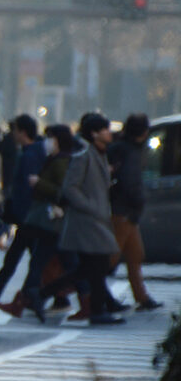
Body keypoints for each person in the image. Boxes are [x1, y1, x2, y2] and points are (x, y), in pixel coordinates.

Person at [0, 125, 76, 321]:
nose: (47, 142)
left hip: (48, 219)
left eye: (51, 138)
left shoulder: (61, 162)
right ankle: (28, 299)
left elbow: (63, 192)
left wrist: (38, 183)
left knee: (67, 264)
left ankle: (33, 298)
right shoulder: (55, 159)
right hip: (46, 221)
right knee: (40, 262)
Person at [59, 113, 125, 325]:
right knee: (96, 265)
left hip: (96, 219)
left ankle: (36, 294)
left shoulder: (100, 154)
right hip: (87, 221)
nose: (109, 133)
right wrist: (90, 206)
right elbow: (70, 187)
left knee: (90, 268)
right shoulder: (84, 155)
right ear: (95, 133)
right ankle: (97, 311)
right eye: (105, 129)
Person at [108, 113, 163, 311]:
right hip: (124, 210)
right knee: (111, 258)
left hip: (125, 210)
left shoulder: (121, 148)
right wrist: (138, 201)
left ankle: (142, 297)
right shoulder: (130, 152)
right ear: (144, 131)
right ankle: (94, 294)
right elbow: (130, 182)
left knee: (135, 255)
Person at [0, 114, 46, 297]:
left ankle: (31, 294)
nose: (12, 134)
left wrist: (19, 213)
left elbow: (27, 189)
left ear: (23, 132)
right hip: (28, 217)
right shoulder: (30, 152)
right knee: (28, 259)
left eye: (15, 130)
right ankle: (31, 294)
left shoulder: (30, 154)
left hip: (28, 217)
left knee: (26, 260)